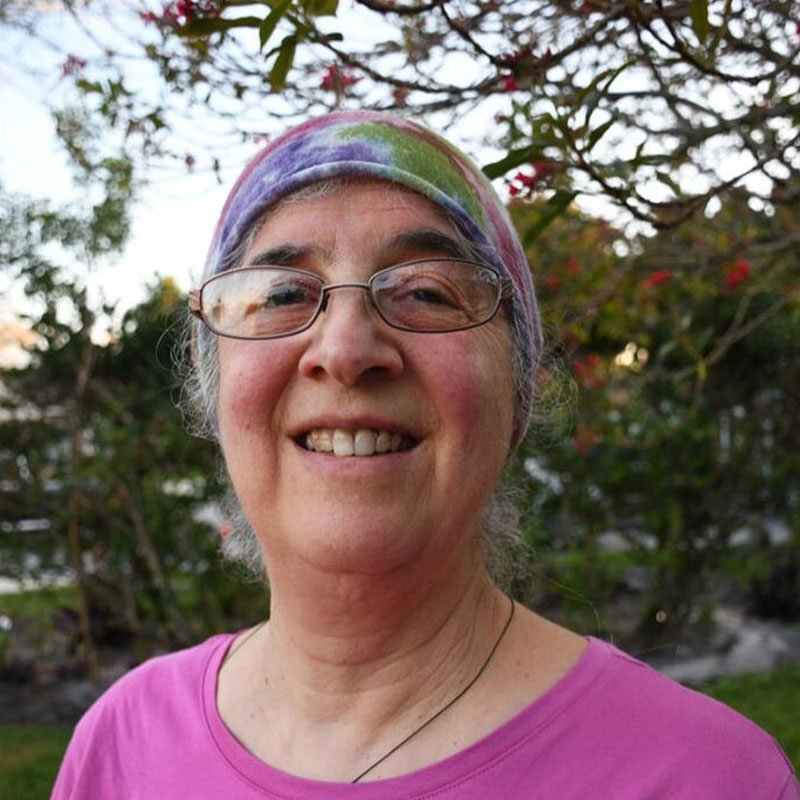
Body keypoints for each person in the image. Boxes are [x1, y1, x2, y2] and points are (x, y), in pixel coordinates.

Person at [52, 111, 799, 799]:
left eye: (427, 292)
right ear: (215, 388)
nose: (346, 349)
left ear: (517, 389)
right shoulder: (119, 747)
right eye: (281, 294)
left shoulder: (710, 778)